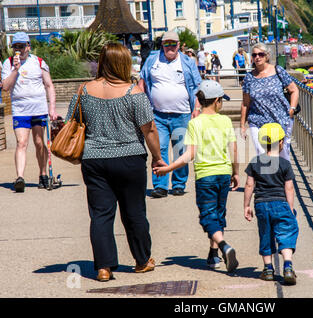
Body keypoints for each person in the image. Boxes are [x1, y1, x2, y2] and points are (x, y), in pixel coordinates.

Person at [65, 42, 166, 282]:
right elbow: (149, 129)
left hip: (95, 159)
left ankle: (103, 267)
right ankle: (142, 260)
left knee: (101, 214)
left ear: (102, 62)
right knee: (134, 213)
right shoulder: (134, 93)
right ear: (124, 63)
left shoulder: (84, 90)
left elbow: (71, 120)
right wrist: (158, 157)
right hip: (129, 159)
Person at [153, 80, 240, 272]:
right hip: (224, 173)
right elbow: (233, 149)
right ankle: (213, 255)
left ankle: (224, 246)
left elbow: (190, 154)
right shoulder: (225, 121)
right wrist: (235, 172)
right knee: (218, 214)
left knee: (207, 216)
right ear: (217, 100)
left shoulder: (194, 123)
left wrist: (169, 169)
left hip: (205, 176)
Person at [139, 31, 202, 198]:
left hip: (182, 114)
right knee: (159, 149)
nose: (170, 47)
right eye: (166, 43)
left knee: (180, 149)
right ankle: (160, 185)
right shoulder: (152, 59)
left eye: (173, 44)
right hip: (157, 114)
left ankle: (179, 184)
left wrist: (196, 108)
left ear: (179, 45)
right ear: (162, 45)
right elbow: (142, 81)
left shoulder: (187, 62)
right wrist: (141, 105)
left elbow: (197, 87)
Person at [1, 32, 58, 192]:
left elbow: (49, 85)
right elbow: (5, 87)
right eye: (15, 47)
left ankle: (43, 174)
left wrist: (52, 108)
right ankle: (20, 177)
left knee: (40, 143)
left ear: (28, 46)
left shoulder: (39, 62)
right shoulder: (9, 63)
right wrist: (15, 70)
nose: (18, 50)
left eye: (21, 46)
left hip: (38, 109)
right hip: (20, 110)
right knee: (21, 143)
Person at [243, 123, 299, 285]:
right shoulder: (285, 164)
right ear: (281, 143)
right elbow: (289, 188)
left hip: (261, 204)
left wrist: (246, 205)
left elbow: (249, 185)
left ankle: (268, 269)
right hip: (280, 203)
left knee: (265, 235)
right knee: (287, 232)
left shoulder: (255, 162)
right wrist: (290, 207)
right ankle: (287, 266)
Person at [240, 42, 299, 160]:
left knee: (282, 155)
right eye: (254, 55)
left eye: (260, 54)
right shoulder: (249, 78)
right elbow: (245, 103)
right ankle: (265, 178)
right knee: (262, 154)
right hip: (258, 120)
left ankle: (285, 178)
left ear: (267, 56)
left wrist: (292, 109)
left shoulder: (278, 71)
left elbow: (294, 90)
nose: (257, 57)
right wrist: (242, 125)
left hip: (281, 118)